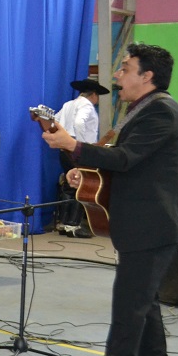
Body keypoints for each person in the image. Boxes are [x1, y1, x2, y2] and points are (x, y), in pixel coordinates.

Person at [43, 43, 178, 356]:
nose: (115, 75)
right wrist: (89, 172)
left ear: (147, 76)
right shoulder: (144, 109)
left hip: (153, 224)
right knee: (144, 298)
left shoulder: (161, 112)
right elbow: (129, 162)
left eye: (124, 68)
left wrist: (73, 146)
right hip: (148, 223)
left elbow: (126, 158)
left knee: (130, 301)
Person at [54, 78, 110, 238]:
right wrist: (82, 145)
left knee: (68, 184)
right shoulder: (86, 106)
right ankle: (74, 225)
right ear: (93, 95)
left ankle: (64, 223)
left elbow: (55, 121)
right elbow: (79, 123)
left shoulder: (68, 104)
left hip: (64, 149)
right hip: (78, 149)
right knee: (81, 184)